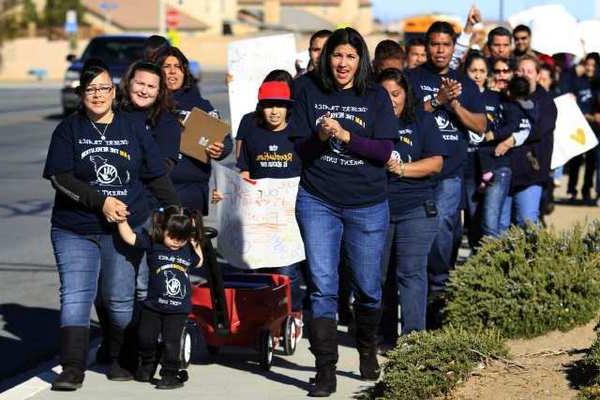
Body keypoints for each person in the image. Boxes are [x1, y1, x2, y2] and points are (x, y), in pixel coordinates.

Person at [43, 58, 179, 390]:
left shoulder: (133, 127)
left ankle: (120, 357)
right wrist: (100, 201)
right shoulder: (68, 130)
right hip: (74, 228)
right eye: (90, 89)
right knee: (75, 295)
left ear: (113, 89)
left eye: (104, 87)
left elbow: (154, 174)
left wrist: (178, 212)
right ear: (80, 93)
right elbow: (60, 178)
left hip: (125, 228)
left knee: (119, 301)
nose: (98, 94)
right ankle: (72, 369)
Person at [290, 27, 397, 396]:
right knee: (322, 287)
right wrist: (319, 137)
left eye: (351, 56)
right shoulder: (307, 90)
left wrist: (347, 136)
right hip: (318, 200)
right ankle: (325, 369)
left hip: (367, 204)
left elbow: (385, 153)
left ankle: (367, 346)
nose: (343, 63)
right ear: (327, 56)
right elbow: (297, 151)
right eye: (338, 54)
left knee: (368, 288)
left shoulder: (375, 96)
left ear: (360, 60)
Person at [405, 21, 486, 326]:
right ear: (427, 47)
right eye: (435, 44)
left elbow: (481, 125)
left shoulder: (465, 82)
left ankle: (437, 301)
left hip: (451, 173)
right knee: (415, 241)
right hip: (415, 170)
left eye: (446, 44)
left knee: (442, 235)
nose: (440, 50)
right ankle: (418, 305)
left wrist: (454, 106)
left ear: (454, 48)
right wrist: (436, 101)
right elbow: (403, 115)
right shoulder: (412, 78)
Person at [377, 68, 445, 343]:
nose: (391, 100)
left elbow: (436, 163)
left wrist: (402, 169)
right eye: (385, 95)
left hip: (416, 207)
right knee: (379, 277)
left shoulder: (422, 121)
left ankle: (414, 338)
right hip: (376, 209)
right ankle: (383, 335)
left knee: (410, 273)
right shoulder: (368, 122)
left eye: (396, 93)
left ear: (407, 94)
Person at [234, 78, 304, 340]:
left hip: (289, 214)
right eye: (268, 106)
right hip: (258, 212)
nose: (274, 111)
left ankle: (293, 314)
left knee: (287, 270)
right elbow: (245, 169)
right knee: (258, 268)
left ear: (288, 108)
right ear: (260, 107)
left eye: (280, 106)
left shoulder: (298, 135)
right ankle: (262, 318)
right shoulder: (253, 133)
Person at [117, 206, 203, 389]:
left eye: (182, 239)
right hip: (153, 306)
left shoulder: (187, 248)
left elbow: (199, 261)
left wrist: (195, 240)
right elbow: (130, 238)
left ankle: (170, 375)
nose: (176, 242)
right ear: (162, 229)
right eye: (172, 237)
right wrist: (122, 221)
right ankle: (148, 364)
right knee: (145, 338)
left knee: (172, 343)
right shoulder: (153, 243)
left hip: (178, 309)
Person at [156, 46, 233, 216]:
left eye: (178, 67)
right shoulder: (148, 104)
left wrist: (220, 149)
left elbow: (226, 142)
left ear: (185, 72)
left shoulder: (201, 105)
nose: (172, 72)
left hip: (192, 192)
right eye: (166, 67)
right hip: (156, 191)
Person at [503, 55, 557, 228]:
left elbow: (540, 130)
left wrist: (513, 139)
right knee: (502, 226)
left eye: (529, 71)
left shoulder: (546, 101)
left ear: (537, 74)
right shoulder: (506, 97)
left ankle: (532, 256)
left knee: (526, 221)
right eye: (520, 70)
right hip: (505, 171)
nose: (524, 74)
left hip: (531, 172)